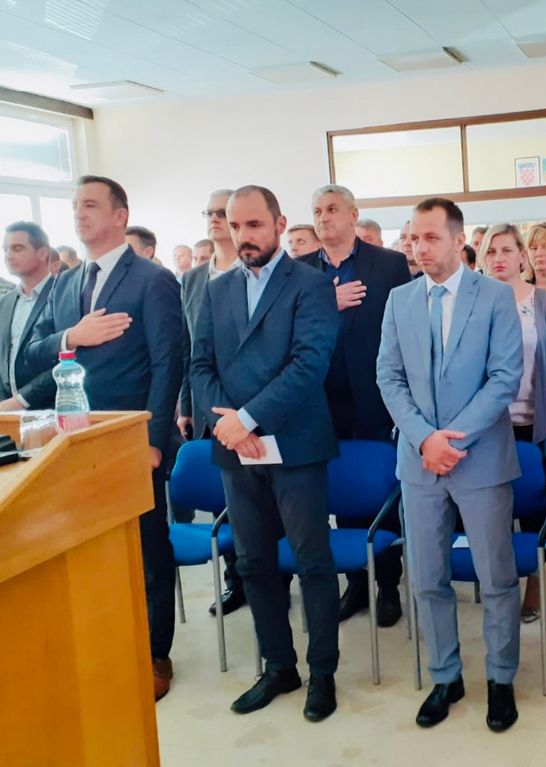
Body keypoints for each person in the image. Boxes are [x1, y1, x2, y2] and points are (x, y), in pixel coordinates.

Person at [26, 175, 183, 702]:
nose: (79, 213)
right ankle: (109, 637)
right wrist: (72, 336)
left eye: (91, 205)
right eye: (75, 205)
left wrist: (154, 439)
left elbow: (168, 363)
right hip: (74, 437)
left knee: (147, 548)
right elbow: (35, 351)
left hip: (131, 435)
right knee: (91, 547)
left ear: (120, 215)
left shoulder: (152, 280)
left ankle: (155, 652)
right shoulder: (66, 282)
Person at [190, 185, 341, 722]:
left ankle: (322, 673)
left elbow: (309, 364)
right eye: (236, 226)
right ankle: (279, 666)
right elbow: (199, 365)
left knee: (312, 562)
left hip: (294, 445)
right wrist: (228, 426)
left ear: (279, 224)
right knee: (253, 564)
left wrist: (248, 418)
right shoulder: (217, 289)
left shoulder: (311, 284)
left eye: (254, 224)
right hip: (237, 450)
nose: (243, 236)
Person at [377, 197, 523, 733]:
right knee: (427, 577)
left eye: (431, 237)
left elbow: (504, 377)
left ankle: (501, 677)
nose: (419, 247)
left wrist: (451, 439)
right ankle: (445, 675)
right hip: (420, 463)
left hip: (479, 458)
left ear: (459, 240)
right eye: (413, 238)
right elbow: (388, 376)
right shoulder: (400, 299)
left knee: (496, 576)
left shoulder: (495, 296)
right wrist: (425, 440)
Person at [299, 184, 409, 627]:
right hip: (321, 402)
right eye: (317, 211)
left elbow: (405, 327)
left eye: (332, 209)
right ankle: (356, 585)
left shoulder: (389, 264)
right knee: (341, 494)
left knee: (380, 491)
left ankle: (388, 585)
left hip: (376, 398)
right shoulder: (301, 270)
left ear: (352, 215)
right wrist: (328, 303)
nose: (323, 217)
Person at [479, 223, 546, 622]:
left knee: (532, 507)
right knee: (493, 509)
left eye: (507, 250)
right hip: (488, 425)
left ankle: (534, 585)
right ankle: (497, 584)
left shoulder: (544, 302)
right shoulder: (473, 303)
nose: (499, 258)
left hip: (534, 421)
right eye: (491, 251)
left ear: (521, 257)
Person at [179, 190, 249, 615]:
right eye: (210, 212)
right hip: (207, 405)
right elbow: (189, 349)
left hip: (251, 409)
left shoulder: (258, 270)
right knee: (224, 499)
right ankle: (235, 580)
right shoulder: (192, 280)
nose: (215, 219)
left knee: (262, 504)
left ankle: (270, 577)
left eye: (223, 213)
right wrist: (186, 406)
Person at [0, 222, 56, 410]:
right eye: (5, 249)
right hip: (8, 412)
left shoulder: (62, 294)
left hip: (53, 407)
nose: (8, 256)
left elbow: (68, 356)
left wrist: (22, 400)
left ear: (42, 253)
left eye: (17, 248)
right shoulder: (5, 302)